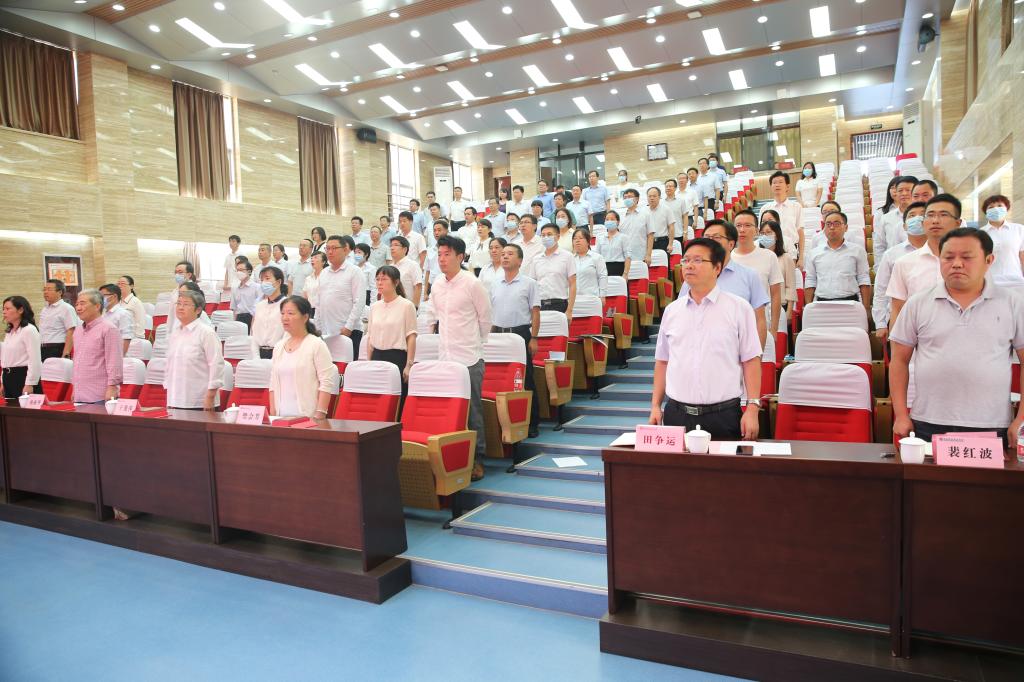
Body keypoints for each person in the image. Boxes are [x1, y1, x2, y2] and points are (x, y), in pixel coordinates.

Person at [890, 228, 1024, 444]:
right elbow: (899, 361)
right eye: (949, 257)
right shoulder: (918, 303)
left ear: (989, 260)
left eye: (967, 257)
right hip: (927, 421)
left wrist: (1021, 419)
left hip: (991, 423)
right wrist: (901, 415)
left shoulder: (1013, 303)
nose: (957, 264)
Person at [649, 238, 762, 439]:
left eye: (698, 260)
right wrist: (655, 406)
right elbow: (663, 361)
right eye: (686, 260)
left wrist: (752, 408)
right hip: (677, 414)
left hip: (723, 415)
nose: (689, 265)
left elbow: (751, 360)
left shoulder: (739, 308)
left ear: (717, 268)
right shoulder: (672, 311)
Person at [431, 235, 491, 480]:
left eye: (447, 254)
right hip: (445, 358)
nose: (442, 259)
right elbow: (436, 317)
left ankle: (477, 459)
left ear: (460, 256)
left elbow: (485, 320)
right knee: (449, 411)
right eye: (439, 254)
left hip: (469, 358)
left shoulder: (472, 283)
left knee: (472, 411)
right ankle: (452, 458)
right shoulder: (437, 284)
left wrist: (475, 344)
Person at [887, 194, 963, 329]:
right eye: (930, 215)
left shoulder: (973, 262)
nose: (935, 221)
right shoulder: (904, 263)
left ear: (958, 223)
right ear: (923, 223)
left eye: (943, 215)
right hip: (920, 338)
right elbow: (898, 310)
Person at [691, 220, 770, 349]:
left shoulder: (749, 276)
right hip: (699, 351)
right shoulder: (693, 277)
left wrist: (756, 356)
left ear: (731, 244)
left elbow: (759, 321)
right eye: (707, 237)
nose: (710, 242)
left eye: (716, 237)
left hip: (737, 353)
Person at [490, 243, 541, 438]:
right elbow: (492, 313)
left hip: (521, 334)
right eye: (503, 254)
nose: (504, 256)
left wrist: (534, 337)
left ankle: (532, 422)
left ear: (520, 261)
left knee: (526, 379)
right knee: (501, 379)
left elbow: (535, 313)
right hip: (498, 335)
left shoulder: (529, 283)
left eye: (510, 254)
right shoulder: (495, 283)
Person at [270, 296, 335, 420]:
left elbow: (326, 382)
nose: (285, 318)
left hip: (307, 418)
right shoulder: (279, 346)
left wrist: (319, 415)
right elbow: (273, 383)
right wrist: (273, 414)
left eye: (290, 313)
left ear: (305, 317)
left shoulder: (316, 344)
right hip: (280, 418)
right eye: (282, 313)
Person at [872, 202, 927, 341]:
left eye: (922, 215)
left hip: (932, 318)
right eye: (912, 216)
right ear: (904, 226)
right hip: (899, 317)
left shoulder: (942, 252)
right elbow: (881, 289)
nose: (917, 218)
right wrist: (880, 323)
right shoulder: (891, 255)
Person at [164, 288, 223, 411]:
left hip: (199, 401)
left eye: (186, 304)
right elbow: (170, 365)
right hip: (175, 399)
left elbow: (216, 364)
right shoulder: (175, 333)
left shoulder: (206, 333)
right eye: (178, 304)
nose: (180, 308)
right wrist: (169, 395)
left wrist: (210, 396)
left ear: (198, 310)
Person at [803, 212, 872, 316]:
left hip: (850, 303)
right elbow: (810, 281)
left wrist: (866, 308)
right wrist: (809, 307)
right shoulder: (813, 253)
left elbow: (863, 279)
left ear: (846, 227)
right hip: (822, 304)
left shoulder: (858, 251)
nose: (832, 227)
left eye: (836, 224)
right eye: (828, 224)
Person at [730, 210, 783, 334]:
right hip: (732, 325)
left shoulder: (769, 256)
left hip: (761, 324)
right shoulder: (727, 258)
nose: (742, 230)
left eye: (747, 225)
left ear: (757, 231)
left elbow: (776, 295)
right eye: (738, 225)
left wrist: (774, 328)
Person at [366, 265, 417, 385]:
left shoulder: (407, 306)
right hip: (376, 357)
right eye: (377, 279)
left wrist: (409, 365)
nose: (379, 283)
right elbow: (370, 337)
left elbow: (411, 337)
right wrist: (368, 361)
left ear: (396, 282)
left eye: (384, 279)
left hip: (397, 358)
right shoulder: (374, 307)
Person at [316, 234, 366, 355]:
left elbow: (359, 302)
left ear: (345, 250)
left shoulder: (355, 271)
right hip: (326, 332)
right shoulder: (324, 273)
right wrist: (318, 327)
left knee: (346, 367)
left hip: (348, 331)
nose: (330, 252)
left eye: (334, 248)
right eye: (327, 248)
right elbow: (319, 302)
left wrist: (348, 327)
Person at [71, 289, 122, 404]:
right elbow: (77, 362)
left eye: (82, 304)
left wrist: (112, 387)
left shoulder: (108, 329)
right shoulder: (78, 330)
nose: (78, 308)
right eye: (77, 304)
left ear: (97, 306)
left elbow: (114, 361)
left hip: (100, 395)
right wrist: (75, 389)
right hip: (80, 394)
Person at [526, 224, 576, 318]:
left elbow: (573, 284)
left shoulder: (567, 256)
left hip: (560, 304)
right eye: (543, 235)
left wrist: (569, 310)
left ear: (557, 237)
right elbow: (532, 284)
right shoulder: (536, 259)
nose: (546, 237)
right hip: (540, 305)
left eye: (549, 234)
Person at [758, 171, 804, 268]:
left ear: (787, 186)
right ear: (771, 186)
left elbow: (800, 232)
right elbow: (761, 232)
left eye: (780, 182)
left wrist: (801, 258)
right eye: (774, 183)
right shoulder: (765, 208)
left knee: (790, 276)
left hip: (791, 251)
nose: (777, 185)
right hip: (770, 250)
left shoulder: (796, 206)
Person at [873, 175, 918, 272]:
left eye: (908, 190)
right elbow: (879, 245)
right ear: (896, 193)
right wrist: (880, 269)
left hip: (919, 266)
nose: (904, 193)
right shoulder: (886, 218)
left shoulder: (925, 217)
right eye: (900, 190)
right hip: (893, 267)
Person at [1, 296, 41, 403]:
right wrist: (3, 381)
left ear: (20, 310)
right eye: (3, 309)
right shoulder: (10, 332)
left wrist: (30, 383)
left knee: (25, 412)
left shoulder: (29, 330)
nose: (4, 312)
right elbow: (5, 359)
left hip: (23, 377)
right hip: (8, 377)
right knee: (10, 410)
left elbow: (35, 360)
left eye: (8, 309)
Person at [980, 194, 1024, 286]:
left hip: (1015, 281)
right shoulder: (980, 233)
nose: (996, 209)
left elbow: (1022, 257)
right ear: (986, 212)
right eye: (991, 207)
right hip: (989, 282)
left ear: (1006, 208)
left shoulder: (1019, 229)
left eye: (1000, 205)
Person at [758, 220, 795, 310]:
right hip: (761, 306)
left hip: (780, 305)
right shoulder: (757, 257)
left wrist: (789, 311)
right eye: (762, 233)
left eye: (768, 232)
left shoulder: (786, 258)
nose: (765, 236)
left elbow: (791, 287)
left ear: (777, 235)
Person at [253, 265, 287, 359]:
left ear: (278, 282)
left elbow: (287, 334)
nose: (264, 283)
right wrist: (256, 357)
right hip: (260, 354)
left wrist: (277, 357)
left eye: (267, 278)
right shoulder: (260, 305)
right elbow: (255, 333)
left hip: (279, 354)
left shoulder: (287, 304)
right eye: (262, 280)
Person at [39, 279, 77, 361]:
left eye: (49, 289)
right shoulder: (44, 309)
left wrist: (66, 353)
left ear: (60, 292)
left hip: (57, 348)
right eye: (44, 289)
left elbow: (71, 331)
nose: (45, 292)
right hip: (43, 348)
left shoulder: (66, 308)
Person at [572, 228, 608, 305]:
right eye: (574, 239)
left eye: (581, 238)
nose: (577, 241)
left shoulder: (597, 258)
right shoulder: (570, 259)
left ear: (588, 241)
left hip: (592, 299)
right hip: (574, 300)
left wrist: (602, 296)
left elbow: (602, 277)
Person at [620, 188, 653, 266]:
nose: (627, 199)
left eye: (630, 197)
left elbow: (650, 235)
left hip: (641, 255)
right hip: (624, 257)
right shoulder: (620, 216)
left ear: (637, 199)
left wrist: (648, 255)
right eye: (625, 197)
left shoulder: (646, 214)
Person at [390, 235, 423, 308]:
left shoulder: (413, 265)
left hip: (408, 307)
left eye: (396, 245)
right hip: (392, 307)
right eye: (391, 245)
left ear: (405, 249)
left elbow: (418, 287)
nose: (392, 248)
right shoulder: (390, 267)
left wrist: (414, 307)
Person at [99, 284, 133, 354]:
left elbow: (126, 338)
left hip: (117, 354)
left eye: (102, 296)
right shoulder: (103, 314)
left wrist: (119, 357)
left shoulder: (123, 314)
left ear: (114, 296)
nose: (99, 299)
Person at [597, 210, 631, 278]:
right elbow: (597, 257)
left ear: (618, 222)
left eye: (612, 219)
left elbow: (628, 257)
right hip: (604, 270)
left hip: (619, 269)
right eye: (607, 219)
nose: (609, 221)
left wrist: (625, 274)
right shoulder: (600, 237)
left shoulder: (624, 237)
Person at [422, 220, 448, 302]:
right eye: (434, 230)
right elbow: (427, 272)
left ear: (446, 231)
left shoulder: (452, 249)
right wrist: (425, 292)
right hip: (432, 285)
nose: (436, 233)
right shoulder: (430, 250)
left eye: (439, 230)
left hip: (447, 285)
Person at [231, 259, 260, 330]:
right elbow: (234, 309)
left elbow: (260, 307)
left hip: (253, 318)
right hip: (239, 318)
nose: (239, 272)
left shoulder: (257, 287)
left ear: (249, 272)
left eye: (241, 270)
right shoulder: (235, 289)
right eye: (237, 270)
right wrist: (234, 323)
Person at [646, 186, 676, 255]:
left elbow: (671, 227)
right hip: (647, 242)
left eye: (654, 196)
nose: (652, 198)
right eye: (649, 196)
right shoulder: (643, 211)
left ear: (659, 197)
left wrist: (670, 244)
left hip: (662, 242)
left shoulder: (666, 209)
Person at [302, 251, 327, 316]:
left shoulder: (327, 277)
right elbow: (305, 296)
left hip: (322, 310)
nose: (312, 260)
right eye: (311, 258)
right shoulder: (308, 278)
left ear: (323, 262)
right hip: (309, 310)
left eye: (315, 257)